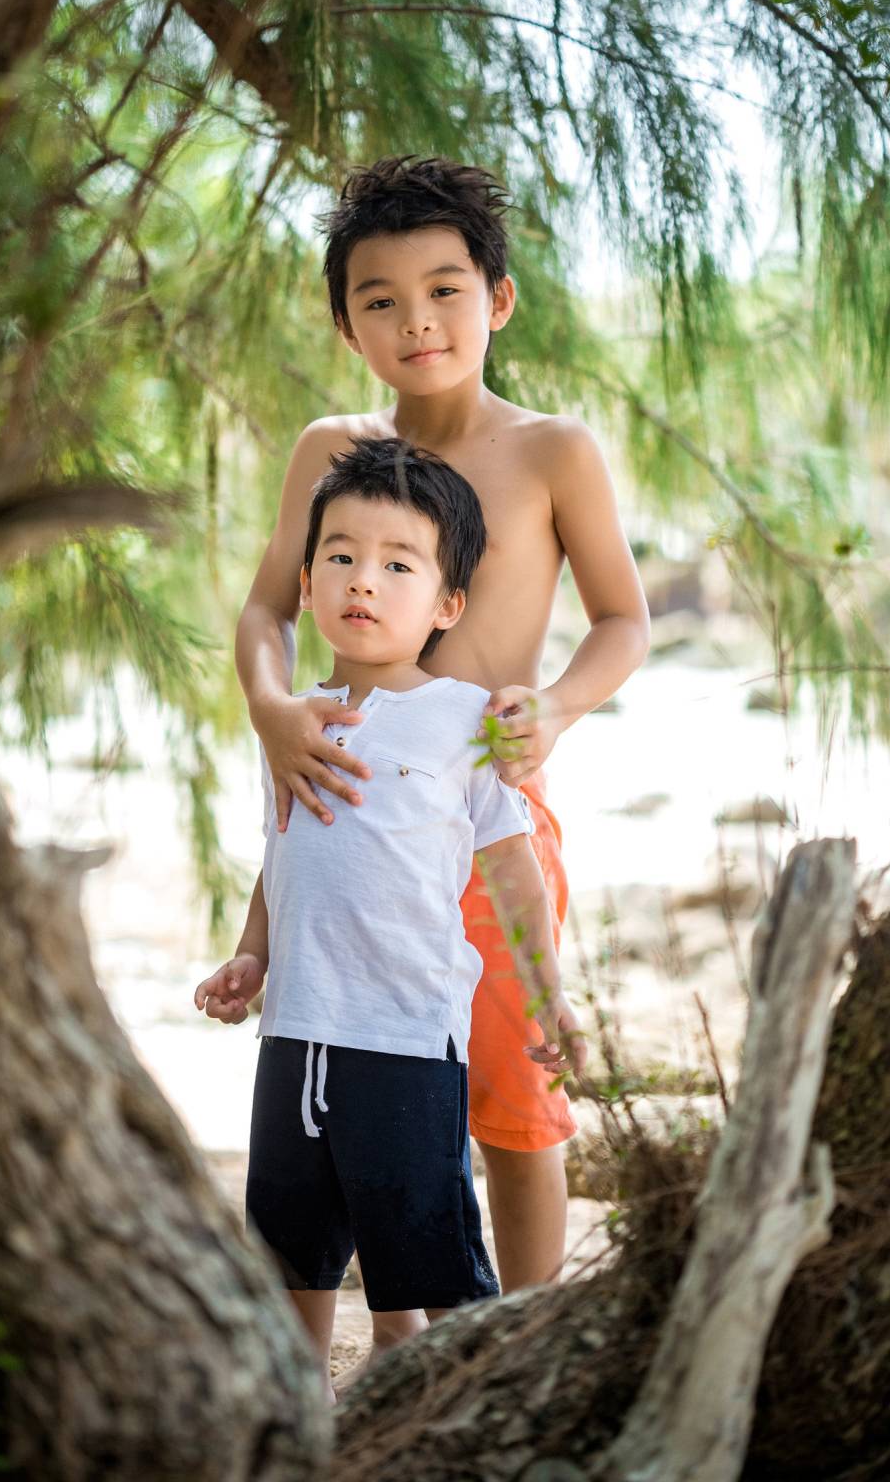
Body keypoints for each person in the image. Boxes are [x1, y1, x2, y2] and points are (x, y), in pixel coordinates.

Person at [230, 155, 650, 1354]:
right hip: (342, 795)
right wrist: (271, 708)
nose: (416, 321)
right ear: (345, 320)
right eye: (380, 299)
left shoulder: (550, 450)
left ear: (498, 300)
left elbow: (624, 617)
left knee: (516, 1086)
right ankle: (371, 1326)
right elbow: (267, 609)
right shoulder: (330, 449)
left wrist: (559, 707)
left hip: (486, 807)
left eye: (446, 290)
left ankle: (520, 1344)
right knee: (345, 1063)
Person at [195, 438, 586, 1396]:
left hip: (406, 1039)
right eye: (340, 556)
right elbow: (285, 848)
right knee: (291, 1244)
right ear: (307, 576)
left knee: (428, 1243)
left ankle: (471, 1407)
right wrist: (253, 954)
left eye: (397, 564)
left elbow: (514, 872)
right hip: (294, 1033)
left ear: (447, 605)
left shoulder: (463, 720)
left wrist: (549, 995)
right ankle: (302, 1414)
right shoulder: (296, 718)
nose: (362, 580)